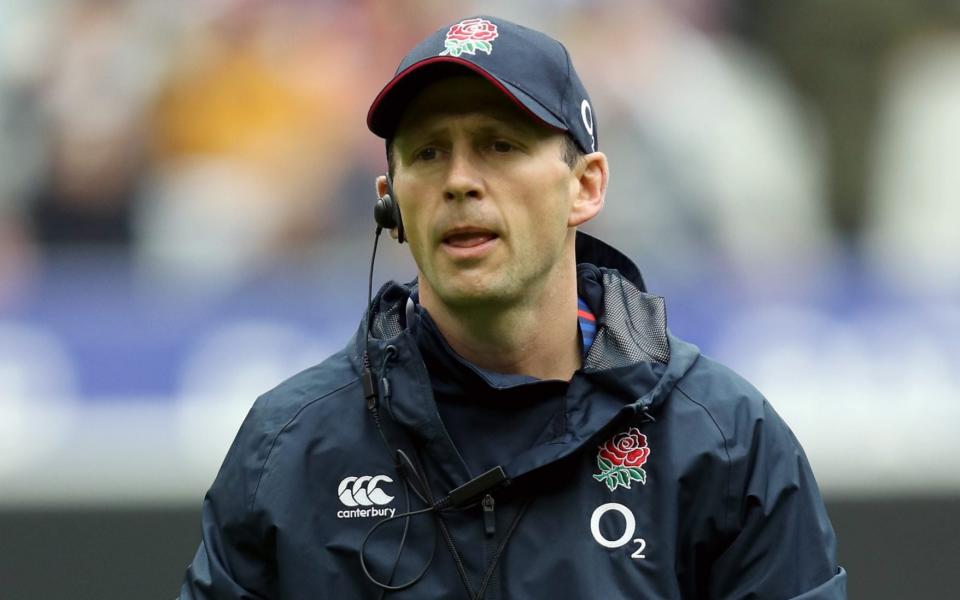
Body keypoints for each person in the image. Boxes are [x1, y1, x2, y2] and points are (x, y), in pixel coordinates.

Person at [180, 15, 847, 599]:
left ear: (586, 187)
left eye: (500, 145)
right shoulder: (290, 450)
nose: (461, 181)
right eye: (429, 152)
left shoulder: (723, 442)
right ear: (391, 203)